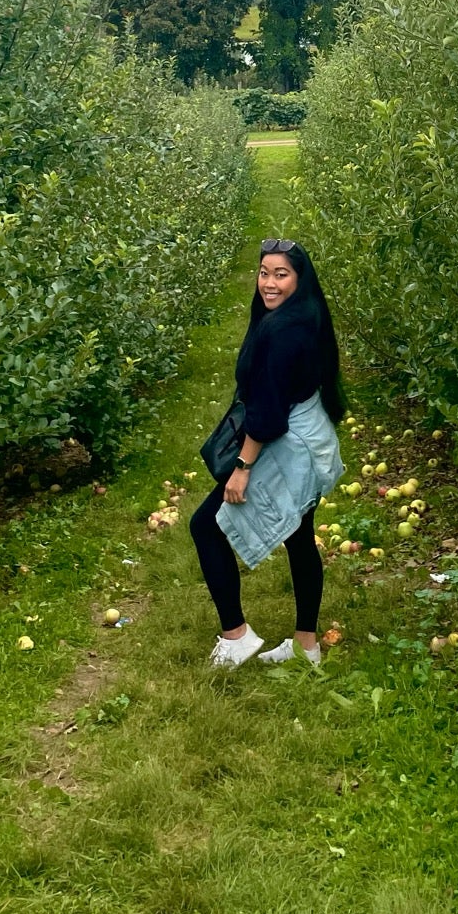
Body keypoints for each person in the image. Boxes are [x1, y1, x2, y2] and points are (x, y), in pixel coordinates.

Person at [190, 237, 345, 668]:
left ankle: (236, 636)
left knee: (207, 525)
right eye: (264, 273)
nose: (269, 283)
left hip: (290, 444)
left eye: (281, 274)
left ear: (299, 279)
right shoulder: (304, 315)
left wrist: (242, 466)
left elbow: (268, 413)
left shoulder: (283, 331)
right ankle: (306, 646)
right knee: (299, 536)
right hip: (310, 437)